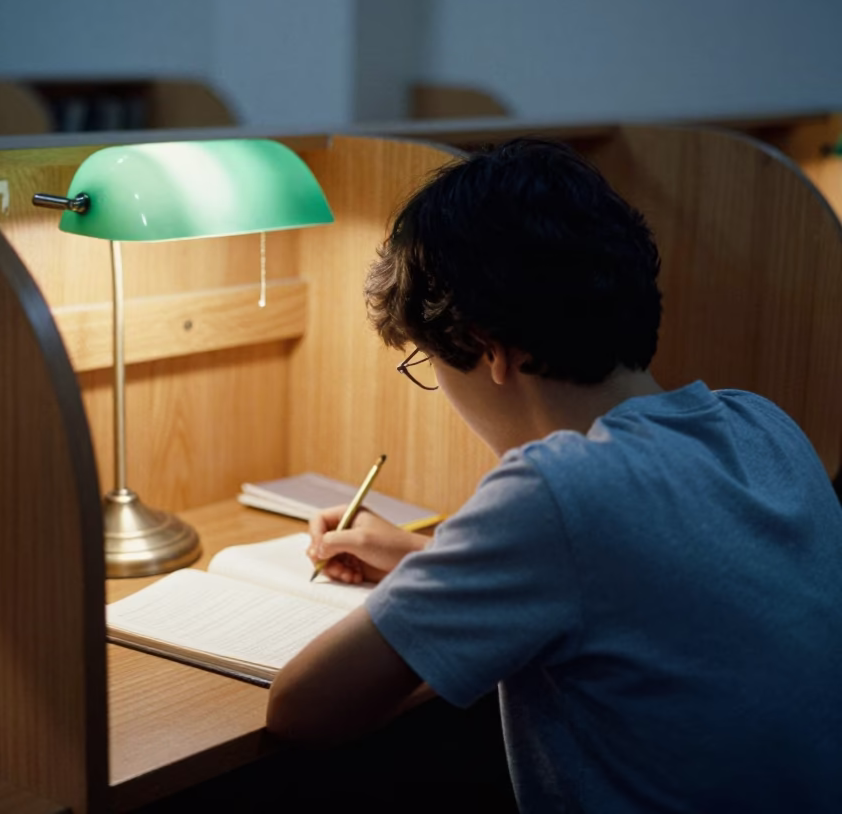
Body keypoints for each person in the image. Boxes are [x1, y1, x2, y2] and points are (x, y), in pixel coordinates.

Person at [266, 138, 842, 813]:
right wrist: (420, 557)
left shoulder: (557, 489)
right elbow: (642, 583)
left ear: (492, 351)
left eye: (429, 365)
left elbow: (303, 707)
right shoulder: (762, 426)